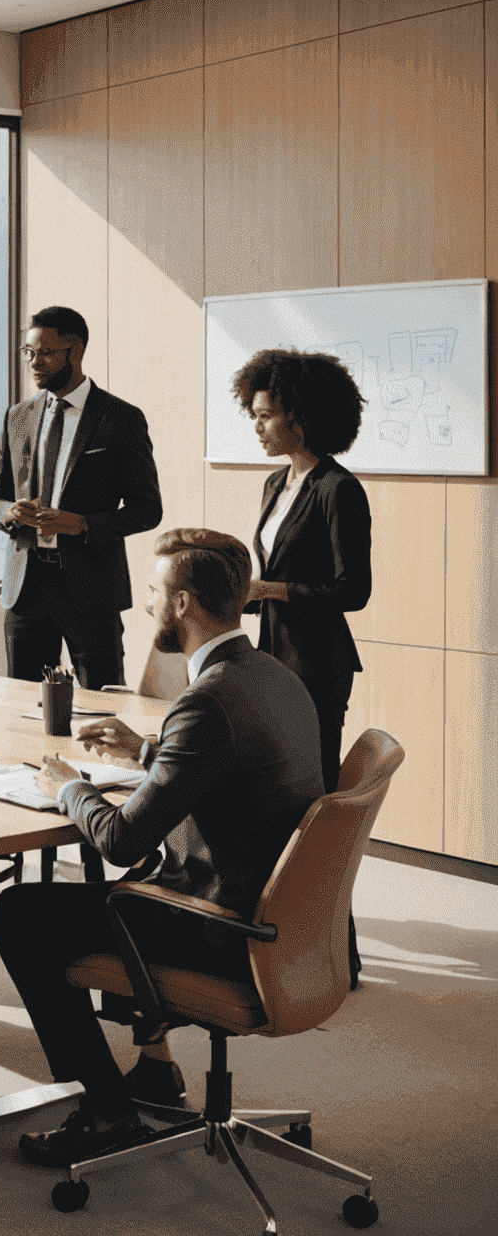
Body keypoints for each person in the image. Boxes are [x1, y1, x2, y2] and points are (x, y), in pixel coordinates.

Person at [0, 528, 323, 1168]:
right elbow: (233, 767)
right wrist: (146, 751)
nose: (146, 603)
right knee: (116, 889)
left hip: (219, 922)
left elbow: (119, 839)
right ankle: (148, 1069)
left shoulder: (206, 702)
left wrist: (69, 789)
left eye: (153, 590)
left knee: (21, 913)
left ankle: (107, 1108)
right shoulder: (275, 678)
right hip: (279, 917)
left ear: (183, 604)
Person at [232, 346, 372, 983]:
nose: (256, 426)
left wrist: (275, 592)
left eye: (265, 416)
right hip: (272, 658)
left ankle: (338, 954)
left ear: (300, 417)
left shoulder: (341, 491)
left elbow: (354, 592)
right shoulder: (274, 482)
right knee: (274, 801)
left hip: (317, 664)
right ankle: (279, 938)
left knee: (314, 810)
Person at [0, 304, 162, 689]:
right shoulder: (18, 416)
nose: (34, 362)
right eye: (28, 352)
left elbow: (148, 510)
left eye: (45, 352)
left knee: (102, 699)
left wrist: (81, 524)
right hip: (25, 587)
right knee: (22, 702)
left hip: (91, 588)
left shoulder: (121, 418)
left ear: (75, 352)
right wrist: (9, 512)